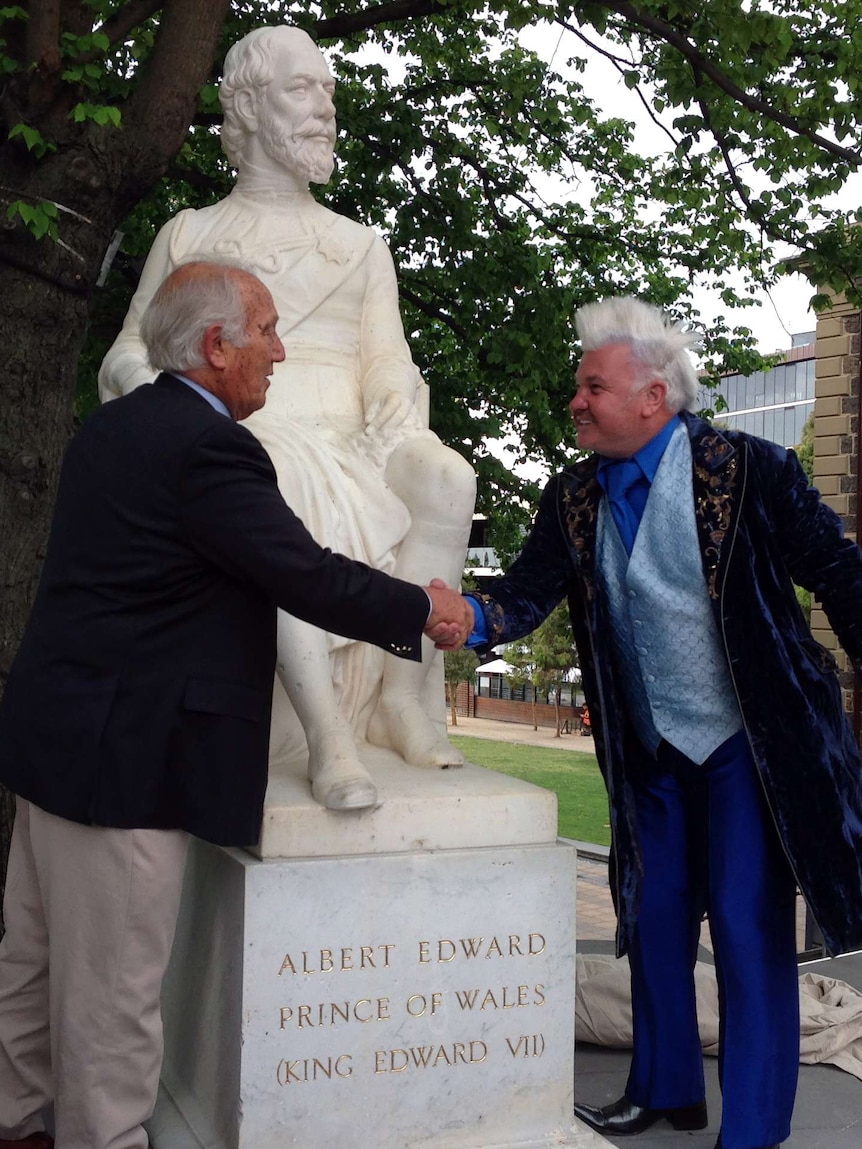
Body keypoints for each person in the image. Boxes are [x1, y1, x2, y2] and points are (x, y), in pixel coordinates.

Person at [0, 261, 472, 1149]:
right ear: (215, 347)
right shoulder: (210, 447)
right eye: (266, 329)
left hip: (56, 746)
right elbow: (301, 569)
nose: (281, 350)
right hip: (125, 770)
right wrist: (423, 607)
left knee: (28, 973)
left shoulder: (111, 430)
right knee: (113, 1008)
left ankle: (17, 1125)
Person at [463, 296, 862, 1149]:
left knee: (750, 929)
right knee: (651, 916)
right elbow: (522, 596)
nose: (575, 400)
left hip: (744, 744)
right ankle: (666, 1086)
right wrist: (462, 614)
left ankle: (751, 1133)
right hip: (646, 749)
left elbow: (838, 569)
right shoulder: (571, 496)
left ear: (654, 396)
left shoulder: (752, 470)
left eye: (591, 385)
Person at [98, 24, 476, 813]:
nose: (324, 108)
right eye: (302, 89)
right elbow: (128, 353)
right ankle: (328, 731)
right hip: (243, 431)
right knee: (267, 475)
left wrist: (392, 408)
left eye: (328, 91)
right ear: (247, 106)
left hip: (357, 436)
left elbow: (388, 362)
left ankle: (401, 697)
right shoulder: (191, 235)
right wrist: (176, 406)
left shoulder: (360, 245)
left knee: (446, 476)